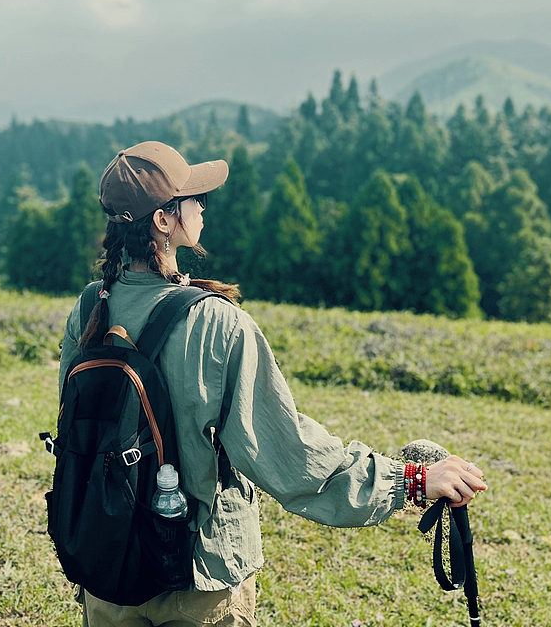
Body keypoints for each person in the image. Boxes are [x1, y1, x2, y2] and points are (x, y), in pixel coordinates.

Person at [58, 141, 488, 627]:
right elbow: (293, 457)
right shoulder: (218, 325)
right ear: (162, 221)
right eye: (192, 197)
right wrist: (409, 480)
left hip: (108, 569)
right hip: (198, 580)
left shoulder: (91, 308)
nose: (202, 205)